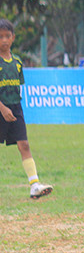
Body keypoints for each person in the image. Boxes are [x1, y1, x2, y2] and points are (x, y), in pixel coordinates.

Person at [0, 18, 53, 200]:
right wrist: (2, 108)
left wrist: (13, 108)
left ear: (13, 38)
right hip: (1, 108)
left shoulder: (17, 62)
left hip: (15, 108)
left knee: (24, 145)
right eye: (0, 37)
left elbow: (18, 86)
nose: (4, 40)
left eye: (7, 36)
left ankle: (34, 185)